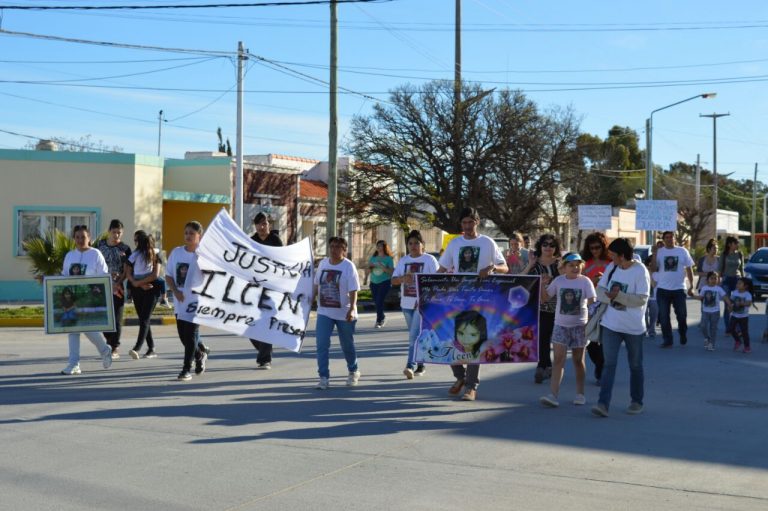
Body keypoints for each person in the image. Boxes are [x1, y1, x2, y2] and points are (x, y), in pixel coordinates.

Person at [437, 207, 508, 401]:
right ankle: (460, 377)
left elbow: (505, 267)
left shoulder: (488, 242)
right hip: (458, 297)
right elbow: (442, 269)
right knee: (449, 337)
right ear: (461, 224)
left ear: (477, 222)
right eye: (464, 222)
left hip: (482, 298)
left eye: (471, 222)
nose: (467, 226)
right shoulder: (454, 244)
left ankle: (471, 386)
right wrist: (425, 288)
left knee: (474, 341)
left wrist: (492, 267)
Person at [591, 238, 650, 418]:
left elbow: (641, 298)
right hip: (611, 324)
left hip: (633, 328)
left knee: (635, 365)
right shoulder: (612, 268)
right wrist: (611, 298)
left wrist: (619, 296)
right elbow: (599, 291)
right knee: (609, 364)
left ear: (623, 256)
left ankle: (636, 401)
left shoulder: (640, 271)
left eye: (613, 255)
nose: (611, 258)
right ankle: (603, 404)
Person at [539, 252, 596, 408]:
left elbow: (592, 302)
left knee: (578, 361)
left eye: (578, 265)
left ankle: (580, 394)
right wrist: (543, 285)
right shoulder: (558, 281)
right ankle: (553, 395)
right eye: (571, 265)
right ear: (563, 268)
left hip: (580, 327)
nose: (575, 267)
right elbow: (545, 298)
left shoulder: (586, 282)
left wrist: (590, 323)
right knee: (558, 360)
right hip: (560, 326)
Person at [60, 224, 114, 375]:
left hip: (89, 299)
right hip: (72, 299)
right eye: (77, 237)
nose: (80, 240)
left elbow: (104, 275)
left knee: (89, 329)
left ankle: (104, 349)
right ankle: (74, 364)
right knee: (73, 330)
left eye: (83, 237)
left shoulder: (96, 254)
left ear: (89, 238)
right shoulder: (70, 255)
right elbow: (64, 276)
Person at [314, 236, 361, 390]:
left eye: (338, 247)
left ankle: (353, 371)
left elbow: (354, 289)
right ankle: (323, 377)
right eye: (332, 246)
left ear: (344, 250)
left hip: (344, 312)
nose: (334, 250)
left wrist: (352, 308)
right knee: (322, 344)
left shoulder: (348, 266)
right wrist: (309, 299)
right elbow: (316, 284)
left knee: (347, 345)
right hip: (324, 311)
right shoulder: (323, 263)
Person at [391, 229, 439, 379]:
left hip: (422, 304)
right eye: (410, 243)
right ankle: (421, 363)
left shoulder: (429, 260)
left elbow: (437, 281)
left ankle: (409, 366)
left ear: (423, 245)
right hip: (406, 303)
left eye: (416, 243)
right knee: (417, 336)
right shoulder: (404, 261)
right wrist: (403, 279)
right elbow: (393, 280)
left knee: (413, 336)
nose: (413, 246)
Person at [165, 221, 208, 381]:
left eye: (192, 233)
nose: (188, 236)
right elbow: (169, 275)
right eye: (186, 233)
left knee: (190, 335)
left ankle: (185, 369)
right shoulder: (176, 253)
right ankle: (200, 353)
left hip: (196, 302)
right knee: (183, 336)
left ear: (199, 236)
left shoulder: (203, 256)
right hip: (179, 301)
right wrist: (175, 291)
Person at [523, 233, 562, 384]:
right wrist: (530, 264)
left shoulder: (560, 264)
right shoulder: (534, 263)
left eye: (552, 245)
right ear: (540, 246)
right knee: (542, 337)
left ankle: (546, 367)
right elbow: (521, 278)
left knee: (551, 338)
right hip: (537, 305)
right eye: (545, 244)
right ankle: (544, 367)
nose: (548, 247)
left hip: (557, 306)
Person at [248, 212, 282, 369]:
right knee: (249, 325)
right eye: (259, 224)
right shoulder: (251, 241)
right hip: (253, 288)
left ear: (269, 225)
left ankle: (264, 359)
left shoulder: (275, 240)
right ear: (255, 225)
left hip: (272, 288)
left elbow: (283, 262)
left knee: (267, 321)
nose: (262, 226)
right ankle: (264, 347)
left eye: (265, 223)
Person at [95, 219, 131, 359]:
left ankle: (114, 347)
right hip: (101, 286)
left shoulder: (125, 249)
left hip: (118, 286)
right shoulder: (100, 245)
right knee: (103, 316)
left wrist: (119, 282)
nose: (116, 235)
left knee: (116, 317)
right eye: (114, 232)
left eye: (119, 233)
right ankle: (108, 341)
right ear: (109, 231)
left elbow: (128, 269)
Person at [653, 231, 695, 348]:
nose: (669, 239)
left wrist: (691, 285)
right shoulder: (659, 252)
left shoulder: (682, 251)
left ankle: (682, 333)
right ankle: (668, 339)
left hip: (679, 289)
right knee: (664, 316)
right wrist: (654, 254)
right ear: (663, 239)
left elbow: (689, 268)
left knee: (682, 315)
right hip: (663, 289)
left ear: (674, 239)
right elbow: (653, 268)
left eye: (671, 237)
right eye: (666, 237)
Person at [580, 232, 610, 384]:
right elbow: (581, 283)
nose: (595, 250)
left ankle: (602, 370)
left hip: (608, 305)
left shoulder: (611, 263)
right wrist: (593, 280)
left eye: (598, 247)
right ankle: (600, 365)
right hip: (591, 305)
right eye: (591, 248)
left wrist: (603, 280)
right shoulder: (585, 264)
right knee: (590, 340)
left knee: (605, 339)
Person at [126, 230, 160, 360]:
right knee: (143, 320)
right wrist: (137, 284)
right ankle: (151, 348)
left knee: (145, 318)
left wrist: (139, 282)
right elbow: (128, 271)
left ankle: (137, 348)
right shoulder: (134, 255)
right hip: (137, 290)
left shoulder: (155, 254)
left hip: (152, 289)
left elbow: (155, 274)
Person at [694, 271, 728, 351]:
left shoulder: (718, 289)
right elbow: (701, 297)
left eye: (715, 278)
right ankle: (707, 338)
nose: (713, 280)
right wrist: (692, 295)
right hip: (705, 311)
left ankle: (712, 344)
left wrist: (730, 305)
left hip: (715, 312)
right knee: (703, 326)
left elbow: (725, 297)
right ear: (707, 280)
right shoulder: (704, 288)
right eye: (711, 278)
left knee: (713, 328)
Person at [719, 236, 744, 333]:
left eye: (737, 243)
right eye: (735, 243)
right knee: (728, 305)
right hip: (726, 280)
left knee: (737, 304)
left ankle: (737, 328)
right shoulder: (724, 255)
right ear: (729, 244)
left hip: (737, 281)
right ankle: (728, 328)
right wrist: (717, 281)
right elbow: (719, 269)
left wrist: (743, 281)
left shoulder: (739, 254)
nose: (737, 245)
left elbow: (742, 269)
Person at [369, 240, 395, 328]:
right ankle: (382, 316)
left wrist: (382, 267)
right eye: (377, 246)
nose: (379, 247)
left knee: (379, 300)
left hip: (384, 282)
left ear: (384, 247)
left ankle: (379, 321)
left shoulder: (388, 259)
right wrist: (370, 267)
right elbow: (369, 270)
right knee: (377, 302)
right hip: (373, 282)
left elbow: (391, 272)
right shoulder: (373, 258)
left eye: (380, 246)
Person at [727, 277, 755, 354]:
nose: (737, 285)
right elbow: (731, 301)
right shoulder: (735, 292)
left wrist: (742, 303)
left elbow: (749, 303)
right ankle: (738, 341)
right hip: (734, 315)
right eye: (737, 283)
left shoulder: (747, 294)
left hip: (744, 317)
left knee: (744, 332)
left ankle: (747, 347)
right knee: (731, 329)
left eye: (740, 283)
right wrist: (730, 306)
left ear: (745, 286)